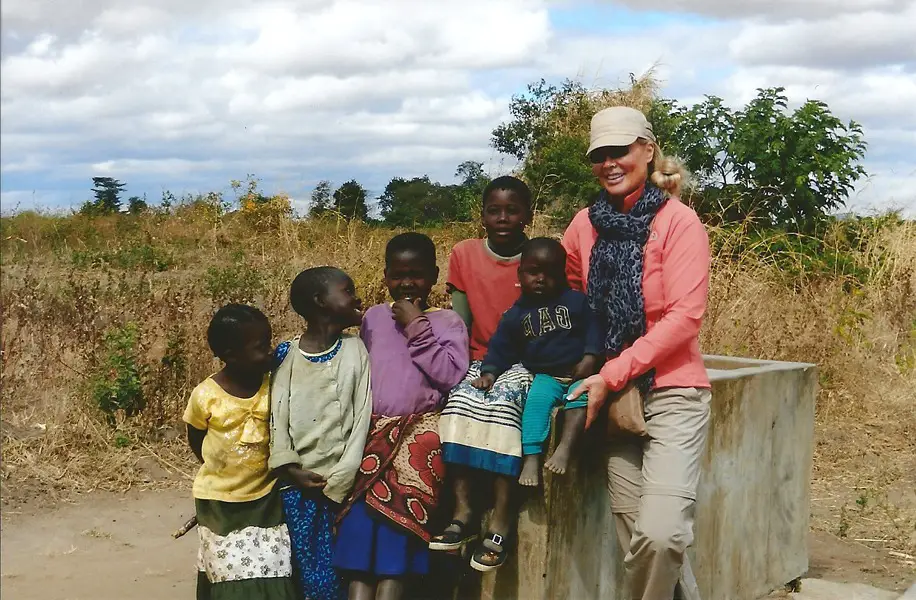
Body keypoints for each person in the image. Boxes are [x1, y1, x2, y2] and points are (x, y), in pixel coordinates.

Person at [565, 106, 712, 600]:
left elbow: (685, 317)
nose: (609, 163)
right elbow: (568, 301)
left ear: (647, 151)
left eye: (620, 151)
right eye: (600, 155)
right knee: (643, 545)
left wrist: (613, 372)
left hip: (672, 392)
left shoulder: (679, 222)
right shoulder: (583, 225)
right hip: (614, 405)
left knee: (662, 535)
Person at [333, 232, 470, 600]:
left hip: (418, 440)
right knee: (359, 538)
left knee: (397, 541)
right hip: (370, 438)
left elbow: (450, 375)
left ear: (434, 276)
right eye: (398, 275)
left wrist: (416, 326)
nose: (407, 283)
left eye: (417, 274)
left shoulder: (448, 322)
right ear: (385, 277)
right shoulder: (374, 318)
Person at [432, 175, 533, 573]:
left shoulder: (538, 256)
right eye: (494, 210)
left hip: (524, 361)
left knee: (505, 412)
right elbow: (460, 324)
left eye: (512, 210)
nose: (503, 218)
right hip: (477, 357)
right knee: (458, 404)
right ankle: (463, 511)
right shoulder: (465, 254)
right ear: (483, 215)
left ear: (527, 215)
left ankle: (502, 518)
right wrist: (459, 369)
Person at [269, 267, 372, 600]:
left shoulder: (356, 349)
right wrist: (290, 468)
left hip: (346, 486)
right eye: (347, 291)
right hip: (298, 487)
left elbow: (362, 415)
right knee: (308, 576)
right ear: (320, 301)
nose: (357, 297)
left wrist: (342, 479)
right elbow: (277, 417)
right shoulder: (287, 355)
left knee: (344, 573)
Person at [183, 303, 297, 600]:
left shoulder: (274, 386)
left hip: (267, 497)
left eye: (269, 343)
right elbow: (197, 438)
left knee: (273, 567)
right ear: (231, 355)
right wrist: (221, 470)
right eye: (261, 347)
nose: (270, 352)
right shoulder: (206, 396)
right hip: (219, 502)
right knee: (229, 571)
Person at [471, 237, 602, 487]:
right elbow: (501, 347)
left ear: (562, 274)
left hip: (579, 373)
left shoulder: (575, 301)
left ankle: (565, 448)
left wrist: (590, 357)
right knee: (534, 408)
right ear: (520, 274)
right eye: (533, 272)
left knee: (579, 402)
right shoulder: (516, 314)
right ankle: (531, 458)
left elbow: (594, 330)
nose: (541, 279)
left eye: (550, 273)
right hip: (546, 377)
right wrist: (489, 373)